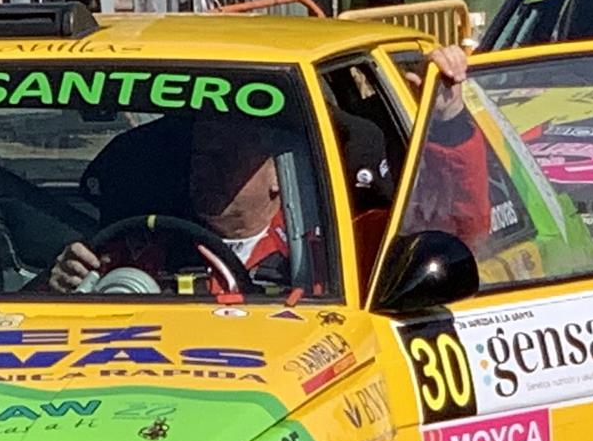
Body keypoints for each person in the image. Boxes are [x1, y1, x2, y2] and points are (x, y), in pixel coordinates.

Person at [50, 47, 476, 295]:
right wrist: (66, 285)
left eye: (225, 160)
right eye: (199, 158)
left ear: (279, 173)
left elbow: (463, 228)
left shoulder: (341, 246)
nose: (205, 171)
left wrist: (449, 121)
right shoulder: (143, 250)